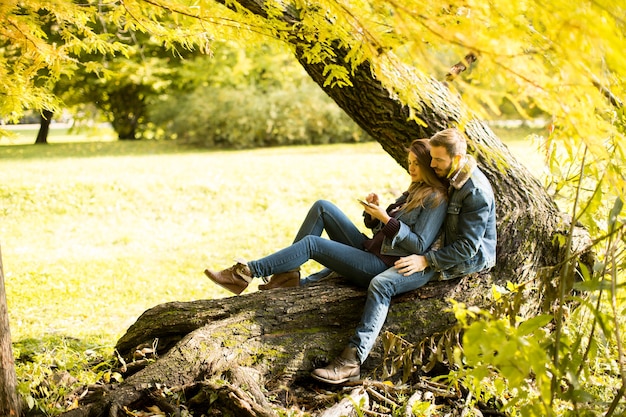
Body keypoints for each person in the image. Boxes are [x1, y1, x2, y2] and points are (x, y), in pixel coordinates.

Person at [310, 127, 497, 384]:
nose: (431, 164)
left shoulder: (474, 191)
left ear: (457, 158)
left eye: (438, 160)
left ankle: (352, 361)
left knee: (381, 284)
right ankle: (298, 280)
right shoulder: (446, 176)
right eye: (430, 158)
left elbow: (467, 248)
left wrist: (426, 260)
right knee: (353, 256)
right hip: (431, 247)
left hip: (453, 260)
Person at [204, 139, 448, 300]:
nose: (412, 168)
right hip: (369, 248)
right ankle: (288, 274)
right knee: (322, 207)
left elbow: (417, 245)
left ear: (429, 165)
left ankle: (245, 273)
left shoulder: (436, 197)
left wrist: (385, 218)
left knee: (313, 244)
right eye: (409, 163)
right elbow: (383, 231)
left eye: (417, 164)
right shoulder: (413, 190)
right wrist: (374, 214)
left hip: (380, 265)